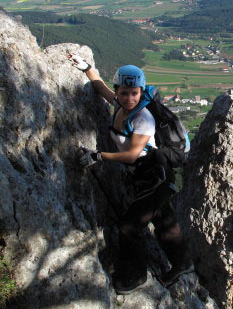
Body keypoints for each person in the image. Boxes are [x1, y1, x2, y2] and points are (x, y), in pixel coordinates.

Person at [68, 52, 193, 294]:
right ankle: (183, 262)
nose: (128, 98)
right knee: (163, 220)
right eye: (124, 92)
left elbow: (132, 154)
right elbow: (100, 86)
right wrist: (87, 68)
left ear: (140, 91)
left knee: (130, 227)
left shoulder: (143, 118)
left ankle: (135, 276)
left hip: (154, 176)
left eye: (134, 93)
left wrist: (98, 156)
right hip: (147, 176)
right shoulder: (119, 104)